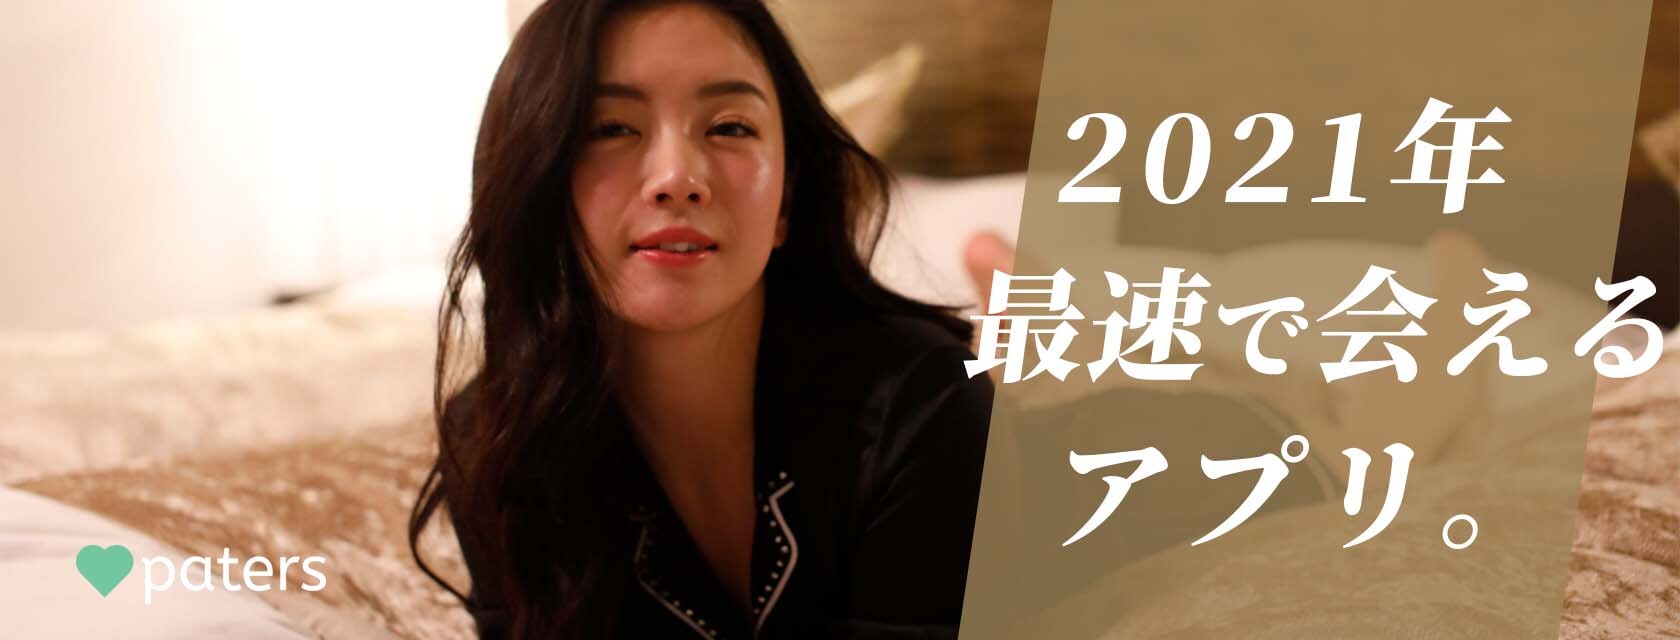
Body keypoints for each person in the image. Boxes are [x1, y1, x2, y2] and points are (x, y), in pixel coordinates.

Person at [406, 1, 997, 638]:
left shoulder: (919, 403)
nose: (677, 178)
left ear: (785, 201)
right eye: (611, 128)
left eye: (730, 127)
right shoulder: (499, 440)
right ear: (541, 186)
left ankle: (1000, 274)